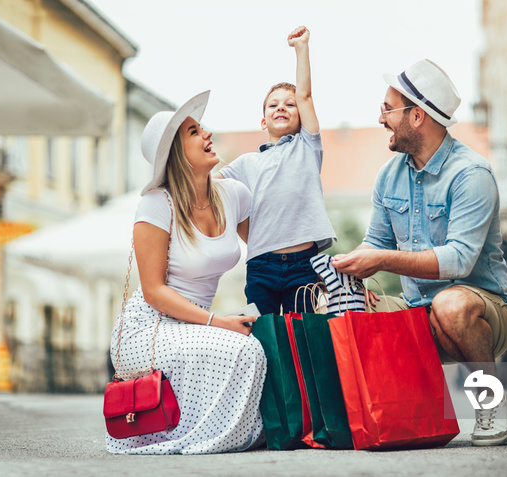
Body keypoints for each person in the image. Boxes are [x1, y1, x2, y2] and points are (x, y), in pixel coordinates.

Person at [332, 59, 507, 447]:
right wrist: (349, 272)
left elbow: (458, 261)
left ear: (416, 116)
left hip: (484, 311)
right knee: (347, 312)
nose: (380, 118)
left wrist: (381, 261)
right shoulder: (388, 176)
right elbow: (376, 244)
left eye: (387, 109)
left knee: (450, 305)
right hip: (418, 312)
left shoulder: (471, 175)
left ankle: (490, 400)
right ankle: (394, 415)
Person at [106, 91, 266, 455]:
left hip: (197, 322)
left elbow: (265, 251)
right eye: (194, 131)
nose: (207, 134)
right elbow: (154, 292)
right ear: (177, 154)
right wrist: (216, 321)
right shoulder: (156, 205)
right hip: (149, 328)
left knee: (258, 343)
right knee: (245, 351)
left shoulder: (234, 195)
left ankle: (232, 434)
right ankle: (207, 439)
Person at [216, 26, 336, 316]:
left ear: (301, 115)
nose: (281, 107)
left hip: (303, 265)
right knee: (265, 338)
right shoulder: (246, 163)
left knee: (302, 337)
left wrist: (302, 48)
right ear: (263, 120)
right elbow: (211, 185)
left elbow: (305, 95)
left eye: (289, 104)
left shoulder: (306, 148)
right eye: (273, 104)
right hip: (261, 264)